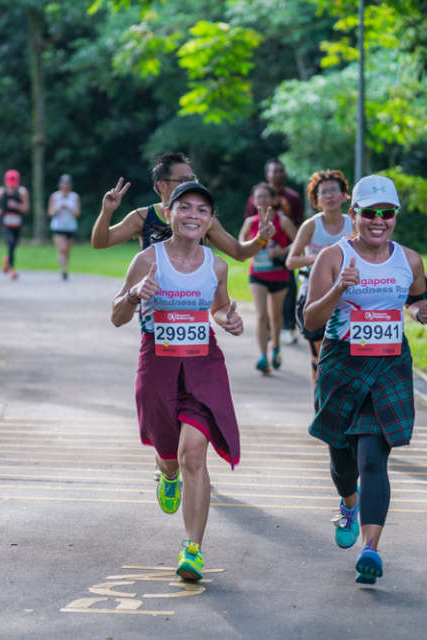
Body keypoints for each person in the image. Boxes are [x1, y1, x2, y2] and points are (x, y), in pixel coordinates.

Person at [302, 174, 427, 585]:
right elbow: (310, 319)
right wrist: (337, 291)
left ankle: (371, 549)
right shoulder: (332, 257)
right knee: (342, 459)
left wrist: (423, 315)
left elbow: (416, 302)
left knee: (373, 458)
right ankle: (348, 502)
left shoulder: (410, 260)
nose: (379, 221)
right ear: (354, 215)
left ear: (395, 216)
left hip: (388, 365)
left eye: (387, 214)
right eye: (370, 214)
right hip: (342, 365)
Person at [111, 181, 244, 581]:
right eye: (185, 208)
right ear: (168, 213)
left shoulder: (216, 265)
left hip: (204, 366)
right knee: (170, 454)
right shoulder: (147, 260)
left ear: (210, 220)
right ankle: (165, 474)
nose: (193, 216)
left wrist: (229, 320)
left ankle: (193, 549)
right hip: (158, 365)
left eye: (202, 211)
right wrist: (135, 294)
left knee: (193, 454)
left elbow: (219, 309)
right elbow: (117, 316)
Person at [92, 152, 275, 258]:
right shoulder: (142, 217)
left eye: (192, 179)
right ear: (160, 185)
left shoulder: (203, 220)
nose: (189, 184)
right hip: (154, 308)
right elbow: (101, 242)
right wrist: (106, 211)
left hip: (191, 303)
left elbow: (239, 252)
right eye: (182, 180)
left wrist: (260, 238)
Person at [285, 169, 352, 383]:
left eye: (334, 190)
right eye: (324, 192)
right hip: (314, 294)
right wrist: (319, 258)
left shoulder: (354, 224)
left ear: (344, 195)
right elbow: (291, 261)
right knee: (320, 354)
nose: (330, 196)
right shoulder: (311, 225)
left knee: (347, 355)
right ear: (316, 199)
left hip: (349, 294)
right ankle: (320, 402)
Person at [238, 182, 297, 374]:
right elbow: (240, 245)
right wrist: (254, 245)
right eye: (258, 196)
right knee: (261, 315)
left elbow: (299, 243)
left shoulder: (283, 220)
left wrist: (282, 251)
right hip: (258, 274)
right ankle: (263, 356)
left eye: (265, 196)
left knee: (275, 316)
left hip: (279, 274)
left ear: (273, 199)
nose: (262, 199)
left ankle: (276, 349)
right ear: (254, 201)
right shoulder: (250, 222)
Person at [245, 158, 304, 345]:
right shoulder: (254, 198)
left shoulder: (292, 197)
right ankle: (269, 332)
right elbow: (248, 226)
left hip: (284, 255)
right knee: (264, 306)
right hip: (260, 258)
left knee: (289, 292)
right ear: (267, 174)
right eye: (274, 171)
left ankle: (289, 327)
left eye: (281, 170)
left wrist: (286, 249)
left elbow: (299, 226)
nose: (279, 174)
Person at [0, 169, 30, 280]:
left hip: (17, 224)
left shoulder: (22, 192)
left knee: (14, 245)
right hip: (5, 223)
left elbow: (26, 208)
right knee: (10, 243)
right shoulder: (1, 191)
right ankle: (13, 269)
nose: (11, 187)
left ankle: (7, 260)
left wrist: (17, 206)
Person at [48, 173, 80, 281]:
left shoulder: (74, 197)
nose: (65, 186)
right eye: (63, 183)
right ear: (60, 185)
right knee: (62, 248)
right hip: (58, 227)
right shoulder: (54, 196)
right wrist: (58, 209)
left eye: (67, 184)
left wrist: (68, 208)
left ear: (70, 185)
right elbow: (50, 212)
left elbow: (77, 213)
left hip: (70, 227)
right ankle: (63, 270)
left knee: (67, 250)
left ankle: (64, 266)